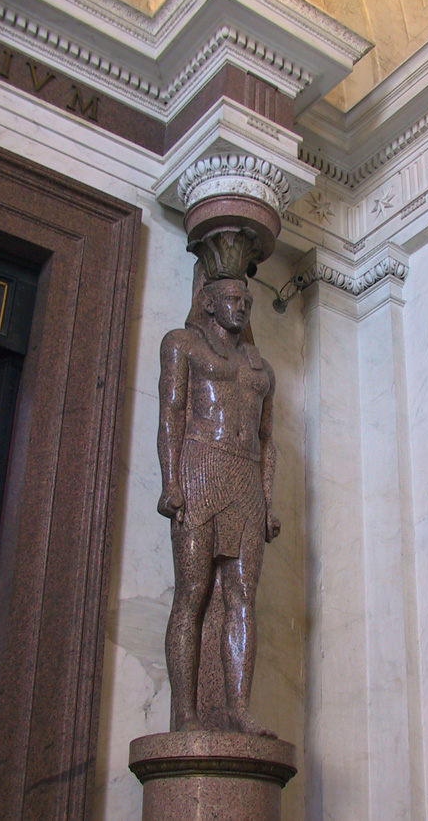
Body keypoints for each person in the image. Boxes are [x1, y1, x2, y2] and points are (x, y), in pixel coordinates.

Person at [157, 276, 280, 736]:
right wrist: (170, 481)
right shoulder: (182, 344)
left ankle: (239, 709)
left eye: (247, 300)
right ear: (208, 304)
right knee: (192, 592)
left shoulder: (261, 368)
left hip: (245, 477)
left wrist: (268, 500)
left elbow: (267, 440)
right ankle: (184, 712)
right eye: (231, 299)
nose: (241, 307)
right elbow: (171, 413)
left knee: (243, 597)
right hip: (200, 466)